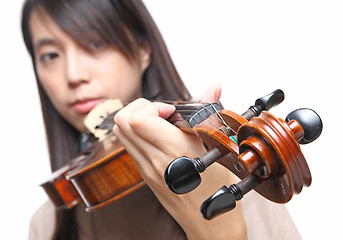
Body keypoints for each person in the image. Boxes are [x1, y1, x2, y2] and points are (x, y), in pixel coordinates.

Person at [21, 0, 301, 239]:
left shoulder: (229, 171)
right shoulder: (47, 224)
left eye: (95, 43)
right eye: (50, 55)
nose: (73, 74)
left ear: (143, 50)